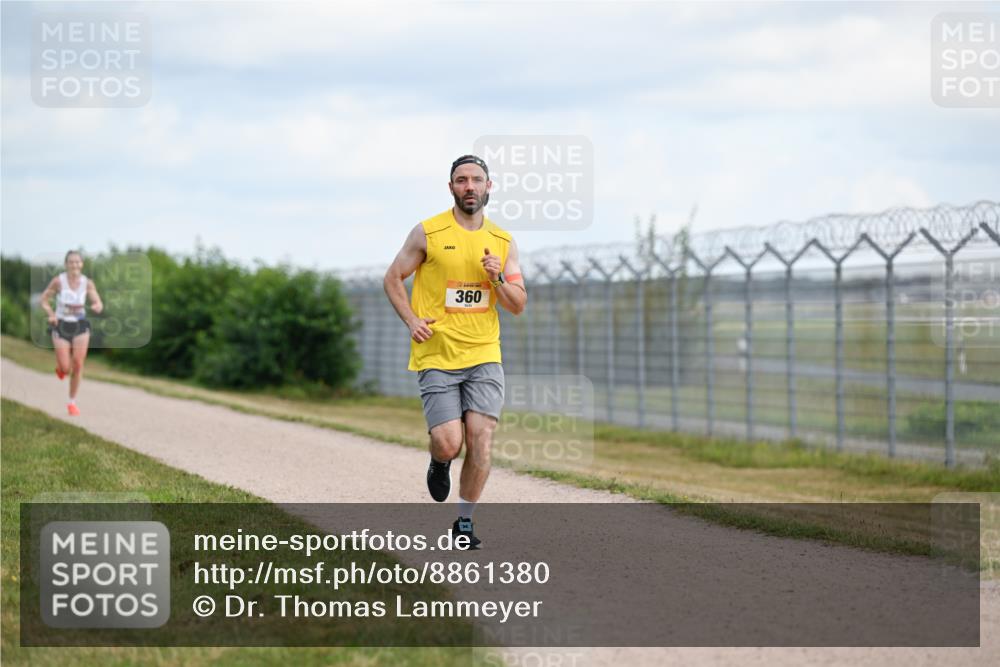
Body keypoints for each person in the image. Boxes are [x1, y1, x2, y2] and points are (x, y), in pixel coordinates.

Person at [384, 155, 527, 549]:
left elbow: (517, 304)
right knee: (451, 441)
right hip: (437, 354)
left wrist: (496, 277)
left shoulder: (502, 241)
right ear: (451, 188)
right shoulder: (428, 232)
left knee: (481, 439)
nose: (469, 186)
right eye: (461, 180)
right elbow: (393, 278)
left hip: (483, 354)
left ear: (488, 187)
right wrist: (412, 320)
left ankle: (464, 522)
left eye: (476, 180)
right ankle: (440, 458)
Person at [40, 250, 103, 416]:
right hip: (61, 325)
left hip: (80, 325)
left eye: (77, 262)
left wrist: (97, 306)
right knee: (66, 368)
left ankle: (72, 402)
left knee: (78, 363)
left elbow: (97, 301)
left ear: (82, 264)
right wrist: (51, 315)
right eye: (71, 262)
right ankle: (61, 369)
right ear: (66, 264)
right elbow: (44, 300)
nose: (74, 264)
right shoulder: (58, 281)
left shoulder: (87, 283)